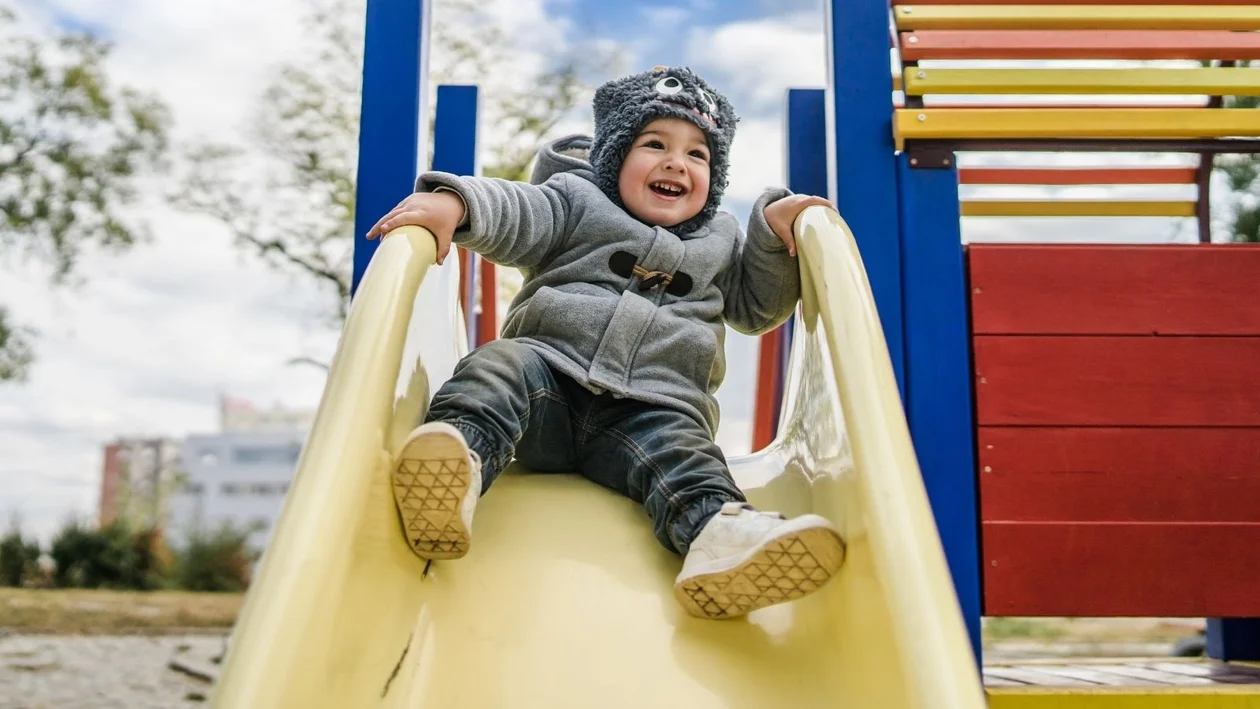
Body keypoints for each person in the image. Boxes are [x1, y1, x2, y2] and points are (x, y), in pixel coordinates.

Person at [366, 66, 844, 620]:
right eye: (654, 144)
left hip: (652, 416)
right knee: (498, 365)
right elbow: (517, 211)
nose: (676, 163)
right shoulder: (574, 202)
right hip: (545, 386)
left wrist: (771, 230)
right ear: (615, 156)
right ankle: (461, 464)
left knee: (688, 459)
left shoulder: (722, 241)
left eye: (698, 155)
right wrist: (457, 204)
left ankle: (718, 537)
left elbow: (757, 310)